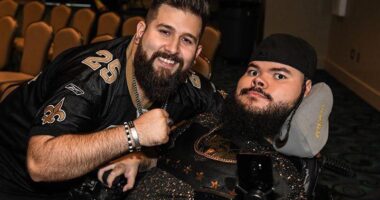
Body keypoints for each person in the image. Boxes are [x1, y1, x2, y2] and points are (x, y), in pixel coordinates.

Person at [0, 0, 224, 199]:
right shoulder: (92, 78)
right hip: (11, 175)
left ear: (197, 53)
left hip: (80, 185)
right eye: (164, 32)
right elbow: (40, 164)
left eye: (186, 40)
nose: (173, 49)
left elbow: (230, 119)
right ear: (140, 32)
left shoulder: (191, 88)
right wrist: (134, 134)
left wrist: (146, 157)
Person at [98, 34, 333, 199]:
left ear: (306, 89)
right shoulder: (205, 121)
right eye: (253, 71)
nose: (258, 80)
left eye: (280, 76)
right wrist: (140, 160)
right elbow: (164, 155)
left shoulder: (284, 174)